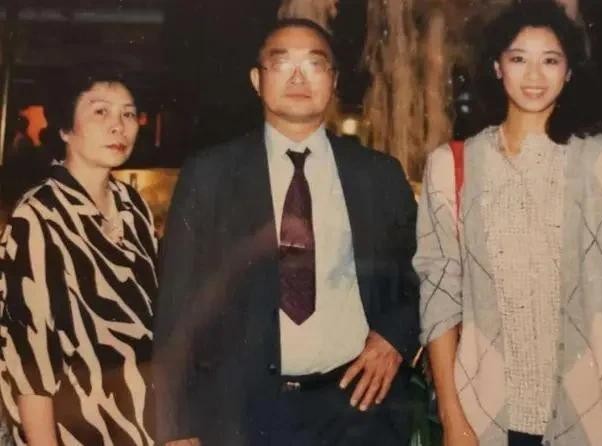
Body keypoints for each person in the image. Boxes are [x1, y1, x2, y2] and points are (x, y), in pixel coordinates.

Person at [154, 18, 419, 446]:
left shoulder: (378, 175)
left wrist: (394, 337)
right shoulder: (210, 174)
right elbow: (176, 305)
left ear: (333, 80)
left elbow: (422, 269)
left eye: (314, 64)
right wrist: (175, 426)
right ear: (257, 80)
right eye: (282, 64)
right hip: (244, 415)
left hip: (357, 408)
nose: (298, 77)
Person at [414, 2, 602, 445]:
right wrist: (451, 417)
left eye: (550, 60)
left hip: (590, 413)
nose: (533, 75)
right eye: (518, 58)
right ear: (497, 67)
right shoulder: (450, 167)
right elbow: (439, 299)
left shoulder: (600, 160)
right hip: (484, 414)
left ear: (569, 72)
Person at [0, 67, 158, 445]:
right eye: (100, 111)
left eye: (128, 113)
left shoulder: (133, 206)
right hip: (74, 429)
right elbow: (30, 363)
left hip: (143, 425)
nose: (119, 126)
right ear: (65, 129)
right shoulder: (37, 217)